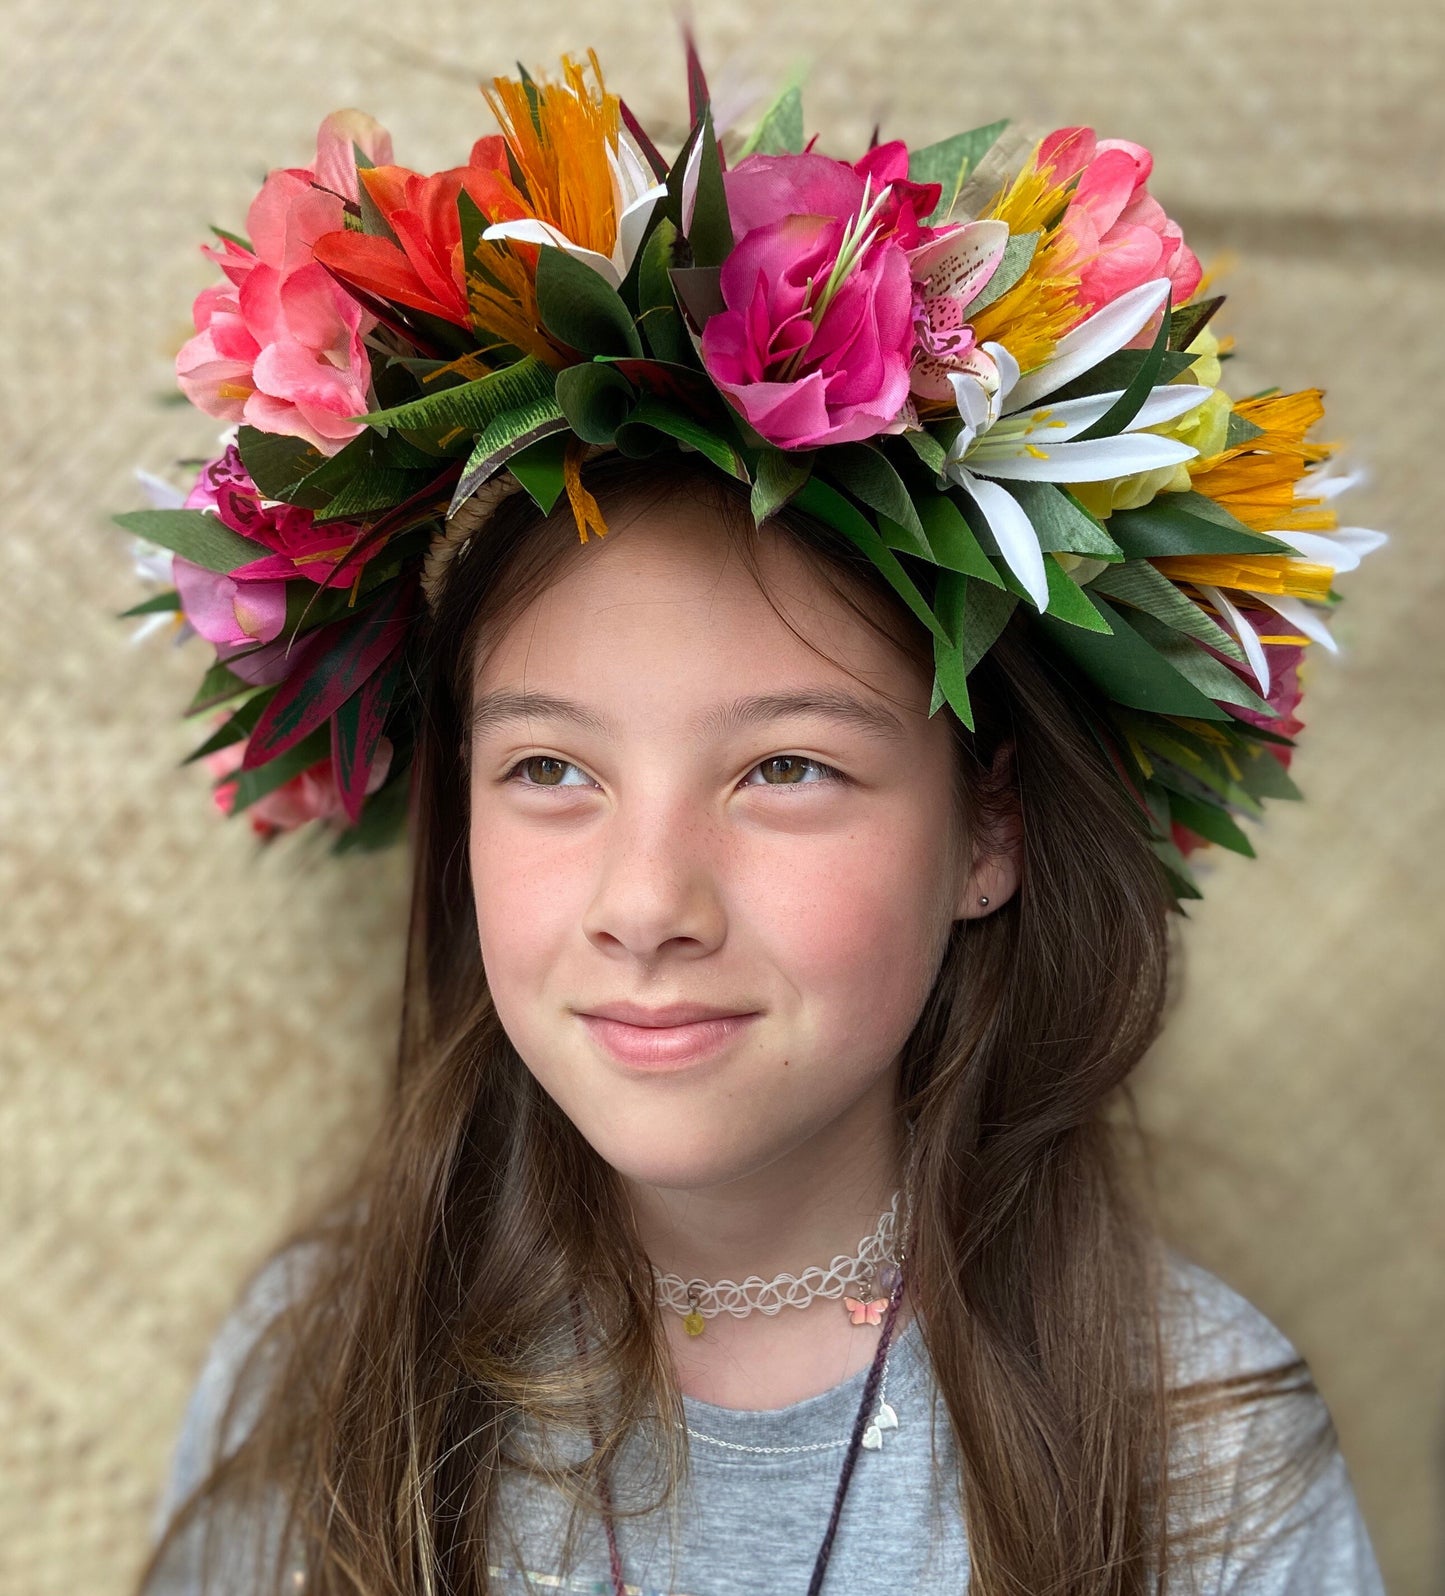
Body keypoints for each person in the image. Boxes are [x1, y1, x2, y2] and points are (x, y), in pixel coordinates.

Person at [123, 44, 1387, 1596]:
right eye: (550, 771)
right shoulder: (317, 1370)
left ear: (987, 833)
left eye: (784, 769)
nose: (645, 901)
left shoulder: (1200, 1440)